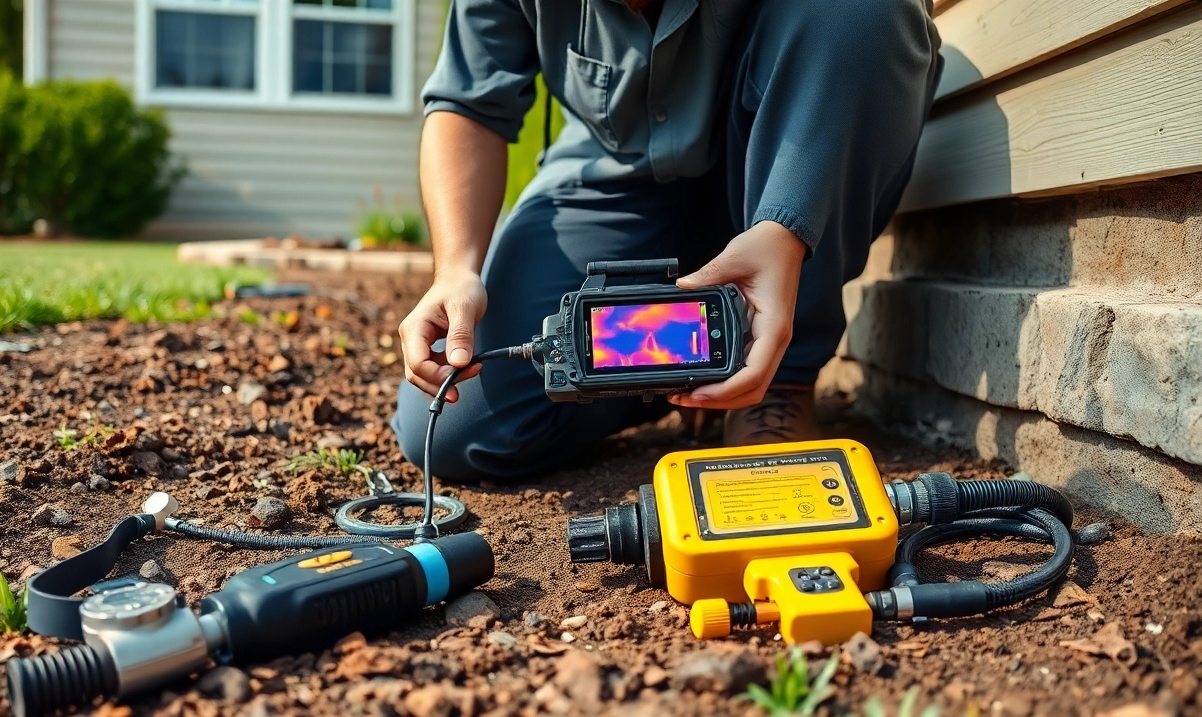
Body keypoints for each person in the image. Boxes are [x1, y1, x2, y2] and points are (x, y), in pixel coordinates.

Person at [392, 0, 941, 481]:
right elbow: (468, 105)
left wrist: (786, 225)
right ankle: (693, 369)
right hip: (614, 183)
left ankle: (778, 379)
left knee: (865, 10)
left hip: (778, 162)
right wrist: (457, 268)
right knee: (452, 426)